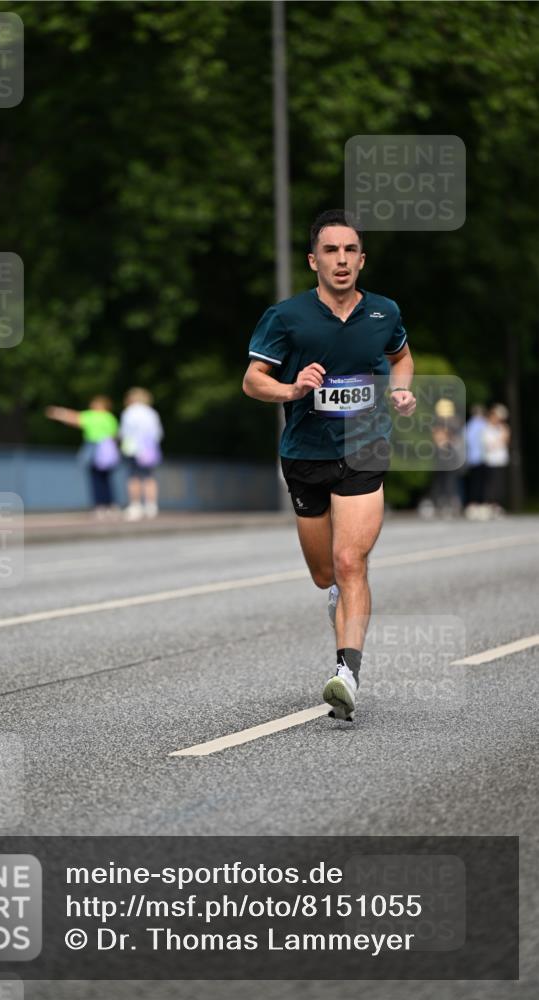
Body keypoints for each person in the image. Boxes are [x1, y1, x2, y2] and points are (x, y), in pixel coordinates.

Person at [243, 209, 415, 721]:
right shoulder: (286, 316)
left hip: (365, 448)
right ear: (312, 259)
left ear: (361, 260)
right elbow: (254, 380)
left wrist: (401, 391)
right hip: (305, 454)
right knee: (325, 575)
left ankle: (346, 675)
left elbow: (401, 357)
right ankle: (339, 600)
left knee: (349, 561)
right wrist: (292, 388)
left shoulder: (384, 312)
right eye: (330, 251)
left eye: (349, 251)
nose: (340, 260)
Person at [45, 396, 120, 517]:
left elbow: (73, 417)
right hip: (108, 451)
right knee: (106, 479)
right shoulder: (110, 417)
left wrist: (56, 412)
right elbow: (115, 435)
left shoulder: (91, 416)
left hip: (94, 449)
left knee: (96, 479)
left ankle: (100, 506)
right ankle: (110, 505)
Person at [119, 387, 163, 520]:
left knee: (134, 477)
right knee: (149, 477)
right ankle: (151, 506)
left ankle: (135, 506)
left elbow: (125, 432)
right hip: (149, 448)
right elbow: (158, 433)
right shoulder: (151, 412)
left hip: (134, 448)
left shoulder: (129, 412)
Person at [481, 403, 510, 517]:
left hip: (501, 460)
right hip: (491, 460)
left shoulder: (501, 428)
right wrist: (501, 438)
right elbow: (490, 445)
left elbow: (506, 441)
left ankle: (497, 505)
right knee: (491, 484)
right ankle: (490, 505)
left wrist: (504, 432)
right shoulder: (487, 429)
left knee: (500, 484)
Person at [464, 404, 488, 518]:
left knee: (474, 482)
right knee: (482, 483)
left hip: (472, 458)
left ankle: (473, 505)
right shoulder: (483, 424)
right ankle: (480, 505)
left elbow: (466, 441)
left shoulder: (469, 425)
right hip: (483, 457)